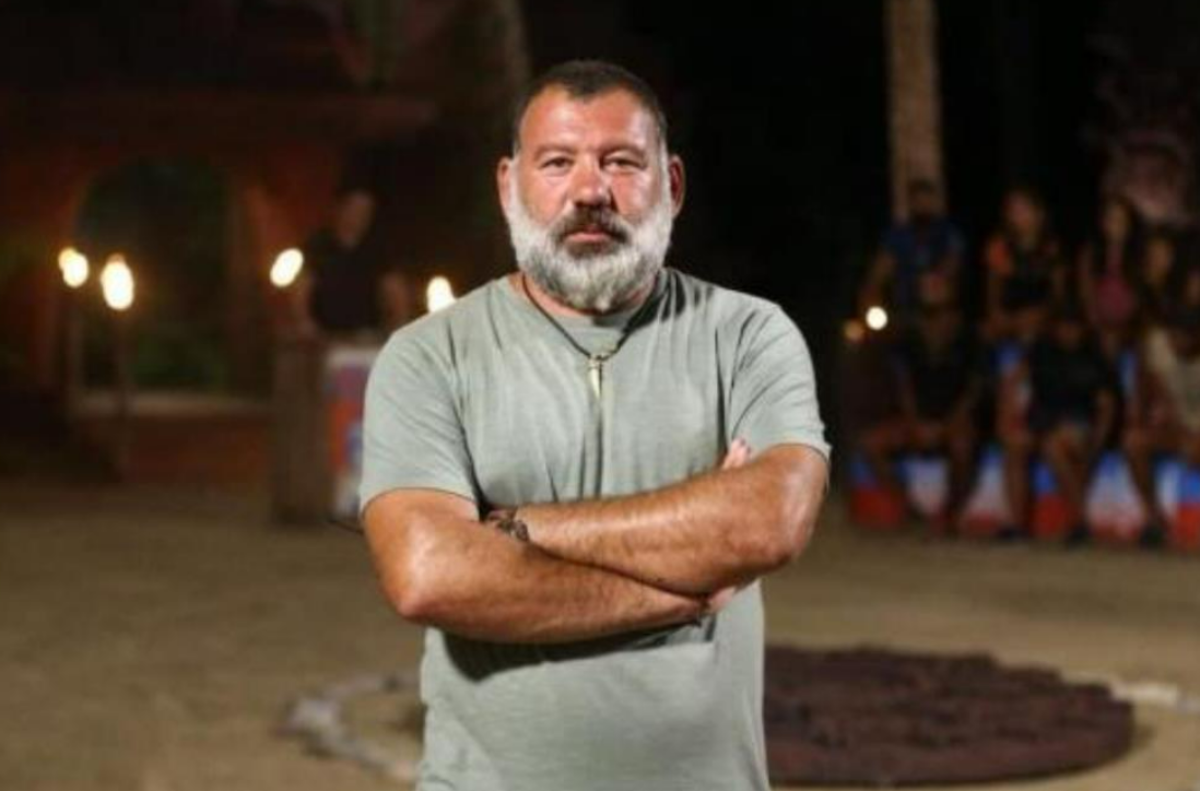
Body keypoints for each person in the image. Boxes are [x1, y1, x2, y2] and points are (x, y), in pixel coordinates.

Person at [357, 60, 830, 791]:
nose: (589, 191)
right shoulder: (429, 356)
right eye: (557, 162)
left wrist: (521, 527)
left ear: (672, 184)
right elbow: (429, 576)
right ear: (508, 185)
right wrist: (683, 590)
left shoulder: (746, 336)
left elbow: (770, 522)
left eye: (621, 162)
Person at [999, 301, 1118, 539]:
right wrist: (1005, 419)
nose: (1068, 332)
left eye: (1074, 327)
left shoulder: (1095, 357)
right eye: (1063, 327)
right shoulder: (1041, 350)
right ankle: (1017, 524)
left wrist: (1097, 443)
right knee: (1016, 445)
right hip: (1041, 420)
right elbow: (1012, 381)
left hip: (1079, 423)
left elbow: (1106, 406)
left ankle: (1077, 521)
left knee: (1053, 447)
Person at [293, 186, 414, 337]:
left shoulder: (378, 250)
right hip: (326, 337)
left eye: (364, 212)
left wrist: (399, 329)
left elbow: (396, 292)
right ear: (340, 208)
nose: (358, 217)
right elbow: (301, 289)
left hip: (368, 335)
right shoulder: (318, 246)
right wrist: (305, 324)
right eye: (354, 209)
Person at [1124, 305, 1200, 536]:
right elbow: (1149, 373)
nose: (1174, 343)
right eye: (1172, 336)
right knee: (1134, 442)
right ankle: (1154, 518)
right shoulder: (1159, 346)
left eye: (1181, 337)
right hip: (1178, 429)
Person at [858, 179, 966, 330]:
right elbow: (880, 270)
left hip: (940, 308)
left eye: (926, 201)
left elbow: (953, 264)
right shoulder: (898, 235)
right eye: (918, 201)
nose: (922, 206)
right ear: (910, 204)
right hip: (903, 308)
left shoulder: (946, 233)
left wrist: (936, 282)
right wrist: (872, 295)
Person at [982, 187, 1068, 341]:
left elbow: (1058, 295)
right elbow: (993, 296)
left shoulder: (1052, 248)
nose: (1017, 215)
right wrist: (1005, 319)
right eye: (1013, 210)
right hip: (1009, 318)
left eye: (1023, 209)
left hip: (1042, 318)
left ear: (1039, 213)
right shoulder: (998, 247)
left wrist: (1040, 315)